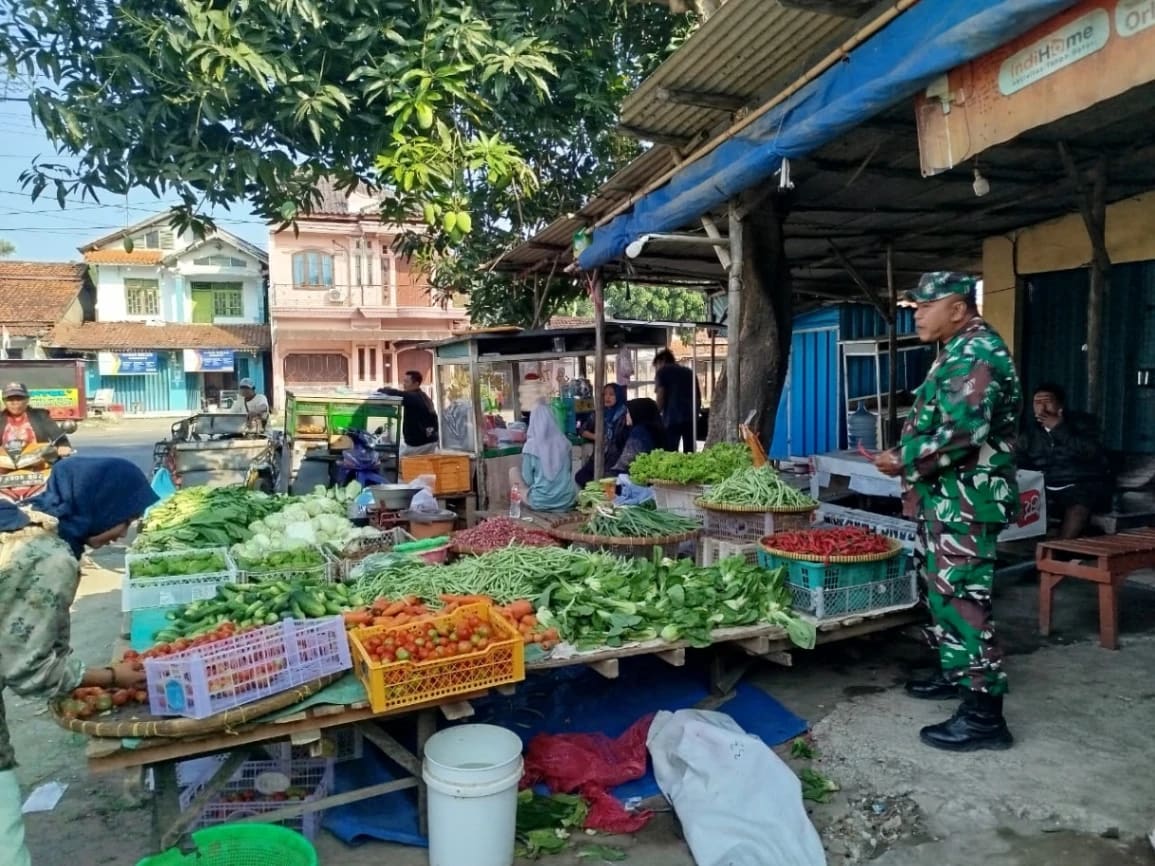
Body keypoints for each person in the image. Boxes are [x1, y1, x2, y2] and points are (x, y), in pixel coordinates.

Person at [872, 271, 1021, 752]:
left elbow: (962, 433)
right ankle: (953, 673)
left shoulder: (977, 353)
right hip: (947, 499)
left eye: (926, 306)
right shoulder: (956, 350)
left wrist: (901, 459)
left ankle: (983, 717)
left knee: (962, 599)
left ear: (958, 309)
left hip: (967, 502)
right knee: (942, 594)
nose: (917, 314)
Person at [0, 457, 157, 865]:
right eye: (125, 520)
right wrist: (110, 676)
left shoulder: (28, 522)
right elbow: (28, 670)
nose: (123, 534)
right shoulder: (52, 559)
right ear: (101, 507)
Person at [1015, 383, 1111, 539]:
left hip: (1080, 484)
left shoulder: (1083, 424)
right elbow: (1019, 459)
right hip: (1045, 486)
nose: (1042, 407)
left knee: (1078, 506)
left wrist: (1058, 428)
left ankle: (1060, 552)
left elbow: (1092, 452)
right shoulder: (1030, 434)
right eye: (1037, 403)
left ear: (1060, 406)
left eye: (1047, 401)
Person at [509, 403, 577, 512]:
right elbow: (568, 471)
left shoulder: (530, 447)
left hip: (540, 502)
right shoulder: (565, 443)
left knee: (513, 471)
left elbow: (528, 480)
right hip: (567, 500)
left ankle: (516, 511)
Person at [575, 384, 628, 486]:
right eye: (605, 394)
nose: (607, 397)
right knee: (580, 476)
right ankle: (598, 492)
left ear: (618, 396)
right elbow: (582, 430)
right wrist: (596, 437)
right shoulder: (599, 413)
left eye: (611, 394)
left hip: (616, 460)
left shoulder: (624, 415)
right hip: (599, 456)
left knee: (610, 483)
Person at [378, 371, 440, 455]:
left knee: (399, 463)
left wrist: (381, 390)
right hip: (430, 441)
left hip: (419, 444)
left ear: (416, 383)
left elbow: (397, 394)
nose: (404, 384)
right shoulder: (423, 396)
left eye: (407, 382)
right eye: (404, 381)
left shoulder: (413, 397)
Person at [0, 383, 72, 454]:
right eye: (10, 399)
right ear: (4, 401)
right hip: (4, 462)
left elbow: (57, 435)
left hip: (37, 461)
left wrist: (63, 446)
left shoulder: (40, 416)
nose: (15, 403)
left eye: (19, 399)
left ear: (27, 400)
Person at [653, 349, 701, 453]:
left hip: (672, 419)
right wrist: (696, 415)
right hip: (690, 418)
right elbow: (698, 398)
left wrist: (655, 415)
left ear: (662, 360)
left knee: (670, 453)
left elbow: (661, 395)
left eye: (656, 365)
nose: (656, 369)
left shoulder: (663, 372)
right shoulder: (689, 372)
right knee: (690, 453)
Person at [610, 398, 666, 475]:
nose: (626, 415)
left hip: (638, 479)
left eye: (628, 412)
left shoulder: (640, 431)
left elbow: (625, 462)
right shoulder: (654, 429)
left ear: (637, 413)